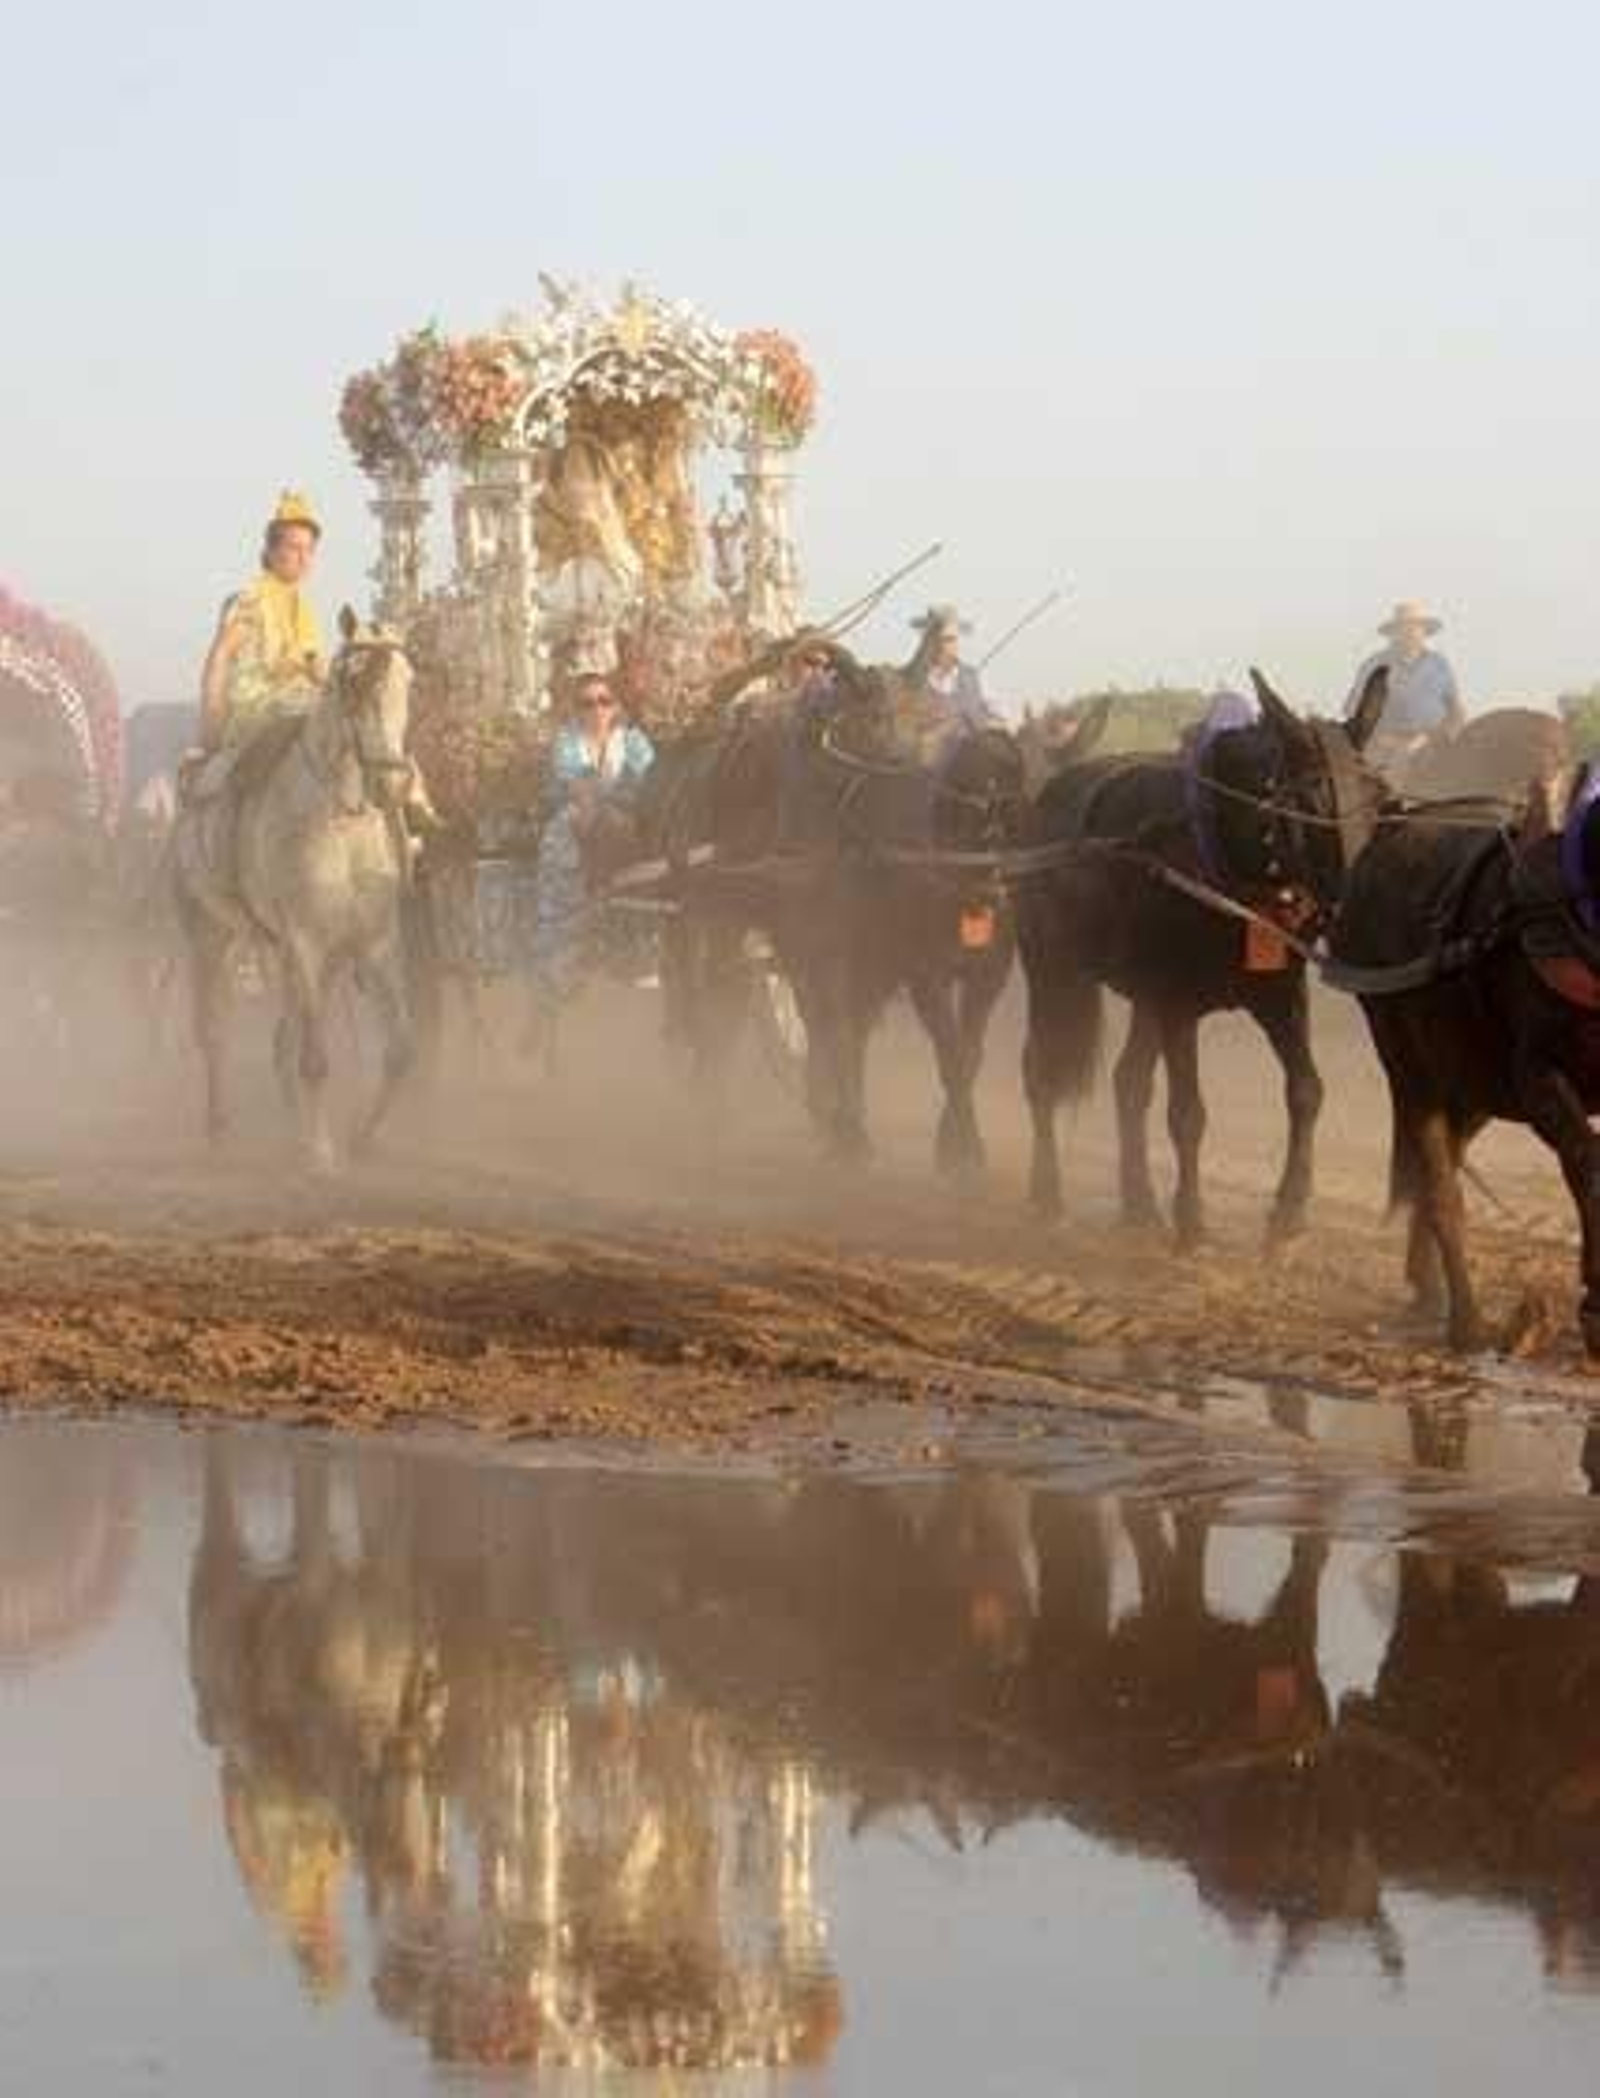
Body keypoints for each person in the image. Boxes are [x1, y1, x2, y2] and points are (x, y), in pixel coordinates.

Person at [523, 667, 655, 1045]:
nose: (596, 709)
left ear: (616, 706)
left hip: (625, 827)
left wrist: (630, 805)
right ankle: (545, 1002)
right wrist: (600, 802)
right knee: (571, 833)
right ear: (576, 709)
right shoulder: (568, 742)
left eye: (604, 701)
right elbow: (576, 783)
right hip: (576, 829)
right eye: (587, 703)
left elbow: (651, 779)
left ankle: (641, 952)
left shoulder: (632, 740)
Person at [199, 491, 326, 753]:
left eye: (310, 550)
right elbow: (219, 658)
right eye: (294, 548)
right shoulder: (252, 601)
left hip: (304, 705)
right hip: (256, 712)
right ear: (270, 552)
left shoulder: (304, 610)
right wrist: (211, 725)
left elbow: (315, 666)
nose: (304, 558)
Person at [1346, 601, 1464, 782]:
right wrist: (1384, 740)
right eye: (1404, 628)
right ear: (1394, 633)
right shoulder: (1376, 665)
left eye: (1415, 627)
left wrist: (1431, 738)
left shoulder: (1439, 664)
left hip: (1432, 745)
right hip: (1386, 748)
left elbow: (1456, 711)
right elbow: (1352, 709)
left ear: (1424, 632)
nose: (1410, 633)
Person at [906, 604, 992, 732]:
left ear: (957, 642)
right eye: (936, 640)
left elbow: (1000, 721)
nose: (942, 646)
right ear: (926, 643)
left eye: (949, 640)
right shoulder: (910, 683)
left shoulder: (974, 679)